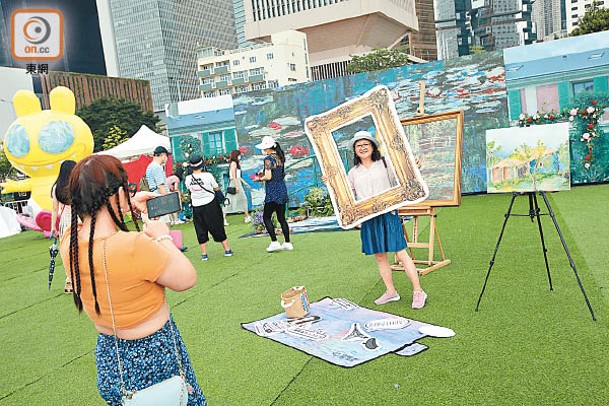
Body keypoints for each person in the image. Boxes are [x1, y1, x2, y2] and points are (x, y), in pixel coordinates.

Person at [58, 155, 207, 405]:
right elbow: (186, 278)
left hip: (109, 357)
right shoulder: (134, 245)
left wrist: (126, 204)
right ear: (115, 193)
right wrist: (162, 237)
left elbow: (98, 227)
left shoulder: (70, 241)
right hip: (154, 355)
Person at [343, 131, 427, 309]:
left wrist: (415, 165)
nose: (363, 147)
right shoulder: (353, 173)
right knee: (380, 257)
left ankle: (418, 292)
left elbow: (405, 173)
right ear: (355, 150)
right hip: (368, 218)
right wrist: (330, 182)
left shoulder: (385, 163)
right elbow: (347, 195)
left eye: (366, 144)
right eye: (359, 145)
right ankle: (391, 292)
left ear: (373, 146)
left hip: (389, 214)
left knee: (401, 253)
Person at [184, 154, 233, 261]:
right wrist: (223, 199)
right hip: (210, 204)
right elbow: (216, 188)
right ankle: (227, 250)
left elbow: (189, 190)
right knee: (217, 226)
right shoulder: (208, 176)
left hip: (196, 206)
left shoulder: (188, 179)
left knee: (200, 228)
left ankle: (204, 254)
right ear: (202, 165)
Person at [253, 136, 292, 252]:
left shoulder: (268, 159)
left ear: (267, 148)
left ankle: (274, 242)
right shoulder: (280, 157)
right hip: (281, 188)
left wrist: (258, 179)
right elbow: (278, 172)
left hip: (272, 191)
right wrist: (263, 171)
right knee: (281, 218)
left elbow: (268, 176)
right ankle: (287, 242)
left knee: (266, 217)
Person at [51, 160, 77, 293]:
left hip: (64, 222)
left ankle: (69, 279)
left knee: (67, 251)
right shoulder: (77, 185)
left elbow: (55, 209)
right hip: (78, 219)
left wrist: (53, 227)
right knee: (80, 249)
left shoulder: (56, 187)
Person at [225, 150, 252, 223]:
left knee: (241, 199)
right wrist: (237, 186)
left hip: (237, 182)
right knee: (231, 200)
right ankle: (246, 216)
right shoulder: (233, 163)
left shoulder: (236, 163)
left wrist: (245, 183)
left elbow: (238, 176)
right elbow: (233, 176)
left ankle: (246, 216)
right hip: (234, 182)